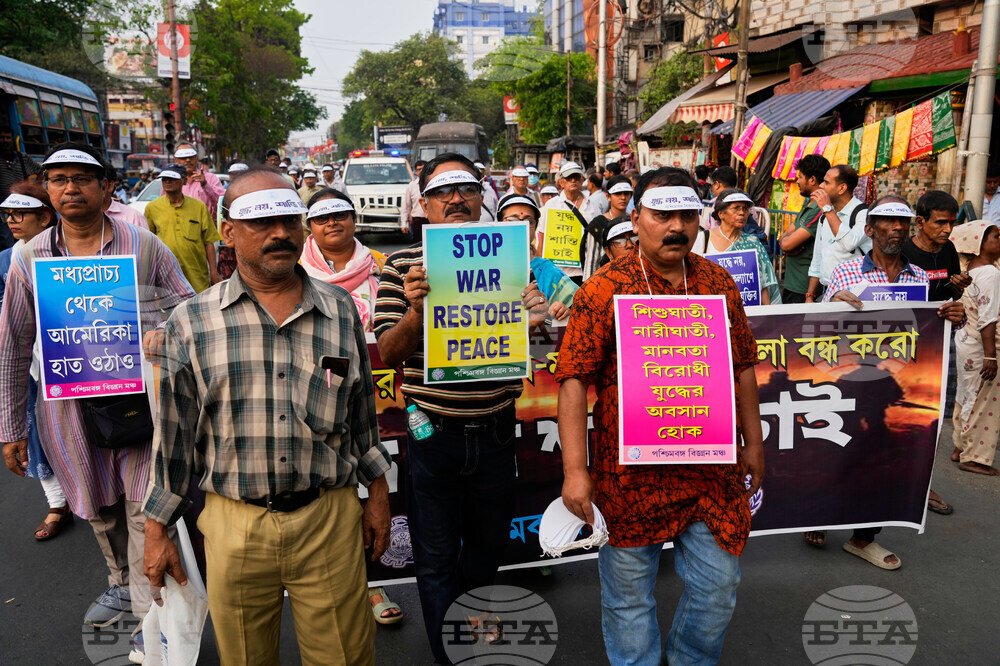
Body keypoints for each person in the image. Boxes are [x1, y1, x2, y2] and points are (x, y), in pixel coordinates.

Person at [144, 165, 393, 665]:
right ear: (229, 232)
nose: (279, 233)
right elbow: (173, 439)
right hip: (236, 528)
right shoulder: (190, 322)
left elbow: (362, 414)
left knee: (344, 657)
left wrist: (379, 496)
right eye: (260, 222)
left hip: (328, 520)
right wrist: (157, 531)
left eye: (289, 219)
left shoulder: (341, 310)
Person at [555, 166, 765, 666]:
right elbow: (573, 380)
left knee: (718, 588)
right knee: (629, 599)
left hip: (710, 470)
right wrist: (575, 472)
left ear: (700, 219)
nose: (676, 226)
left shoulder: (718, 282)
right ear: (636, 217)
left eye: (687, 214)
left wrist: (753, 443)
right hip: (628, 475)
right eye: (662, 214)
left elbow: (741, 368)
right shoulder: (604, 289)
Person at [0, 143, 193, 662]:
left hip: (139, 405)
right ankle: (123, 581)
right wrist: (10, 424)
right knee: (98, 508)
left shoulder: (143, 246)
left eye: (82, 178)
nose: (70, 188)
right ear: (47, 188)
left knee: (141, 508)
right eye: (58, 179)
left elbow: (189, 308)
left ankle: (149, 620)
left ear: (107, 187)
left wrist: (158, 329)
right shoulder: (28, 256)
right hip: (68, 410)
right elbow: (14, 341)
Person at [373, 153, 550, 664]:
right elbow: (388, 352)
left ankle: (472, 610)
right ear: (423, 204)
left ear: (481, 198)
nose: (455, 198)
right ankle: (449, 653)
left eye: (466, 188)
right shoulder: (402, 266)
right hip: (433, 435)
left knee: (489, 546)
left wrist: (533, 316)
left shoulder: (509, 258)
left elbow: (531, 331)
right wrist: (417, 309)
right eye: (442, 191)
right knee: (433, 557)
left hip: (496, 428)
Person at [812, 195, 964, 568]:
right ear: (870, 230)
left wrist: (953, 315)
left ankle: (864, 538)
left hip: (895, 384)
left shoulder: (922, 278)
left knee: (883, 457)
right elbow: (817, 325)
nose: (896, 230)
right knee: (838, 451)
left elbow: (933, 324)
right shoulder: (848, 273)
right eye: (887, 223)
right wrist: (832, 304)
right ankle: (816, 517)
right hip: (850, 381)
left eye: (902, 224)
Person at [0, 183, 71, 541]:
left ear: (44, 216)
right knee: (36, 430)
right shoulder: (5, 260)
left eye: (20, 214)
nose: (12, 221)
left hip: (77, 359)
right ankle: (57, 502)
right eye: (7, 215)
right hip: (30, 364)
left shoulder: (70, 252)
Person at [903, 190, 967, 514]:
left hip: (941, 345)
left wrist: (959, 288)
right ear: (920, 221)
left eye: (951, 224)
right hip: (904, 350)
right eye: (940, 223)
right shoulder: (903, 251)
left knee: (934, 417)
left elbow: (948, 298)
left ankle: (922, 483)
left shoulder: (950, 250)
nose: (947, 230)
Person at [950, 220, 1000, 475]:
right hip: (983, 345)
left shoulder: (969, 271)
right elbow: (988, 317)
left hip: (966, 341)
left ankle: (960, 446)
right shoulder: (990, 273)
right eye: (995, 236)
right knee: (984, 400)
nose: (999, 240)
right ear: (980, 244)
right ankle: (974, 456)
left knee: (967, 394)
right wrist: (991, 355)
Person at [692, 189, 781, 305]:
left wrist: (767, 316)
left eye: (745, 209)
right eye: (736, 208)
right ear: (721, 213)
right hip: (713, 312)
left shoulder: (753, 243)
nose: (742, 213)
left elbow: (763, 283)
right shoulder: (703, 240)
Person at [497, 191, 576, 320]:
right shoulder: (483, 265)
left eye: (529, 222)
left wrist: (565, 309)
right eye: (512, 220)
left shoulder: (545, 269)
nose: (521, 226)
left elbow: (578, 304)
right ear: (499, 223)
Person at [144, 163, 221, 293]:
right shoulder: (152, 208)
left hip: (197, 276)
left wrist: (213, 273)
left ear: (184, 180)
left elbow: (209, 242)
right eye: (164, 179)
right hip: (166, 277)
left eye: (172, 178)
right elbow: (148, 243)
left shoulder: (199, 207)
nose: (167, 182)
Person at [806, 165, 871, 302]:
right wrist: (810, 295)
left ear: (842, 188)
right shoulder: (824, 217)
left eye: (827, 182)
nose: (821, 186)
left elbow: (849, 243)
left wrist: (827, 209)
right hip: (827, 293)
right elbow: (818, 258)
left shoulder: (863, 214)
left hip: (855, 296)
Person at [538, 161, 603, 281]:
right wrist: (541, 268)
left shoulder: (592, 204)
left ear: (582, 179)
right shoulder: (552, 205)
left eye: (576, 177)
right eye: (569, 178)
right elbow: (542, 236)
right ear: (561, 182)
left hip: (586, 269)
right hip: (558, 270)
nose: (573, 180)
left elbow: (599, 234)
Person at [779, 154, 831, 303]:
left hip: (803, 288)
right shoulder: (808, 204)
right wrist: (786, 244)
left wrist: (786, 244)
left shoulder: (818, 210)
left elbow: (786, 243)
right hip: (792, 284)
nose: (798, 181)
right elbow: (785, 237)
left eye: (800, 177)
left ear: (812, 180)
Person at [0, 123, 43, 250]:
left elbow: (41, 171)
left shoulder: (21, 158)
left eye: (8, 138)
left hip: (22, 207)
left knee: (25, 240)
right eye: (2, 138)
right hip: (3, 210)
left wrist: (34, 187)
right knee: (6, 240)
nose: (5, 141)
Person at [586, 176, 633, 270]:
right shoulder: (597, 225)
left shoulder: (635, 221)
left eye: (626, 194)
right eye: (617, 194)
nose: (623, 197)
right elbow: (591, 264)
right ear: (608, 197)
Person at [174, 144, 226, 217]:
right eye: (183, 158)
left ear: (197, 158)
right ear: (176, 160)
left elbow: (222, 204)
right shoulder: (171, 181)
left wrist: (205, 185)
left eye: (191, 157)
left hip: (205, 225)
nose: (188, 160)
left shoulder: (211, 178)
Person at [103, 164, 149, 230]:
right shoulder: (139, 183)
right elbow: (134, 188)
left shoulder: (133, 218)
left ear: (108, 185)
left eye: (85, 180)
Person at [400, 160, 427, 238]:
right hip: (417, 221)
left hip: (432, 221)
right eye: (419, 169)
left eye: (423, 169)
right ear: (416, 171)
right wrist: (404, 224)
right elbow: (406, 206)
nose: (421, 171)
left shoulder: (432, 184)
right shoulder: (411, 186)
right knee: (418, 246)